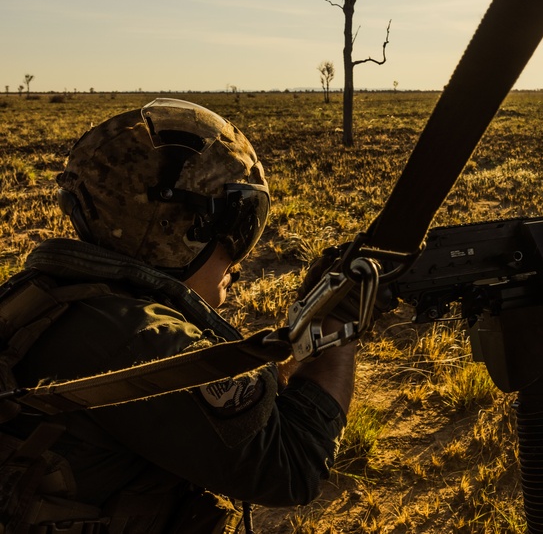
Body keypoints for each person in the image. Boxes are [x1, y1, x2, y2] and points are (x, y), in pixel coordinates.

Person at [0, 98, 356, 533]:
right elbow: (291, 467)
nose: (238, 259)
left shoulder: (41, 298)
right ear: (174, 229)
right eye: (238, 224)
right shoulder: (143, 342)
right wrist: (337, 328)